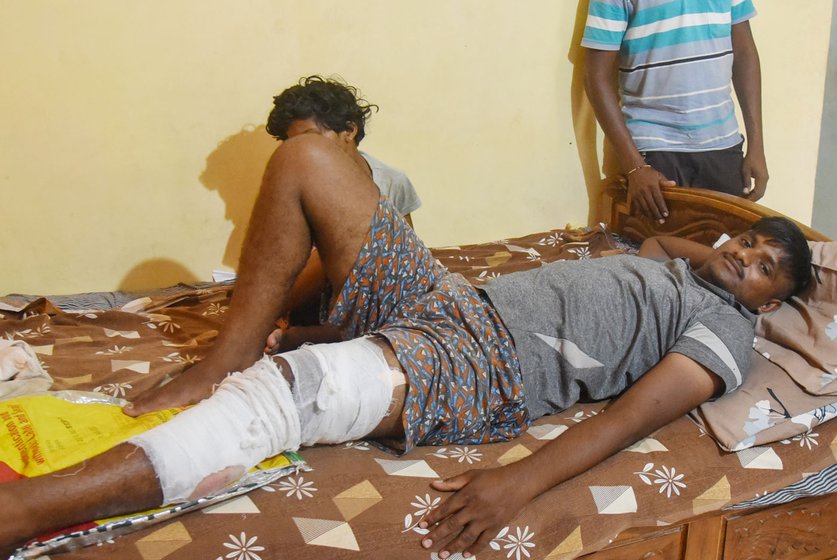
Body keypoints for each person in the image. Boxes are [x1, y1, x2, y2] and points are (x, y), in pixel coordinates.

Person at [0, 134, 810, 559]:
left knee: (297, 391)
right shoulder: (689, 270)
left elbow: (632, 417)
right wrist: (721, 252)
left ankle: (23, 510)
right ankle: (222, 358)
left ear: (776, 300)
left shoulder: (724, 333)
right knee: (311, 157)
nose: (744, 258)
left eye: (765, 267)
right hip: (449, 300)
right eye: (747, 246)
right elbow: (667, 249)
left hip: (488, 365)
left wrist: (519, 481)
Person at [583, 0, 767, 224]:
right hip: (653, 154)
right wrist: (635, 166)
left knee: (725, 253)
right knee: (651, 254)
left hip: (722, 147)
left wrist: (757, 147)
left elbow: (745, 53)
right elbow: (596, 77)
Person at [264, 74, 422, 334]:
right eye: (294, 144)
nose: (303, 152)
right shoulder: (297, 188)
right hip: (315, 294)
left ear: (349, 130)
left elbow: (407, 252)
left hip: (377, 292)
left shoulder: (391, 181)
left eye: (311, 138)